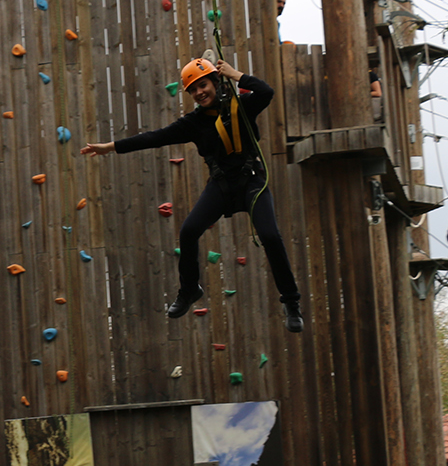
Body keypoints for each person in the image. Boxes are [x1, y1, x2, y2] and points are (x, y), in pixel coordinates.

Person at [80, 58, 304, 333]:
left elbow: (266, 92)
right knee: (188, 231)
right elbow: (154, 137)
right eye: (193, 90)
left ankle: (291, 302)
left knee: (270, 236)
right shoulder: (193, 123)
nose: (199, 92)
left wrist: (236, 75)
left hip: (252, 182)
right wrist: (111, 147)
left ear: (215, 83)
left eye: (203, 85)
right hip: (221, 186)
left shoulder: (241, 106)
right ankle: (188, 290)